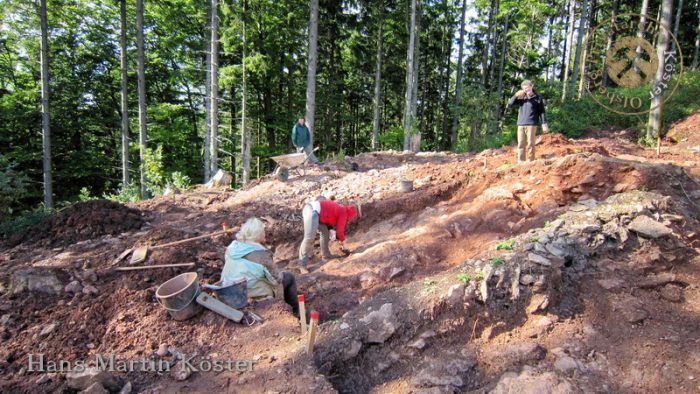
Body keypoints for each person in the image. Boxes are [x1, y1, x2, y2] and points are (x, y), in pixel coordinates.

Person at [222, 218, 299, 315]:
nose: (265, 233)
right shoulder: (261, 254)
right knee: (289, 278)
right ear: (257, 234)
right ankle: (296, 312)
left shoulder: (233, 246)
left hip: (228, 290)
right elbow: (277, 279)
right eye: (263, 231)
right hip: (250, 292)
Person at [299, 199, 361, 266]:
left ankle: (326, 256)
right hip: (312, 210)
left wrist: (338, 240)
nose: (352, 219)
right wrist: (344, 244)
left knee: (325, 232)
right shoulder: (344, 213)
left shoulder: (341, 209)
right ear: (351, 215)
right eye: (354, 217)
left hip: (318, 214)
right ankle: (302, 264)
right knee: (309, 238)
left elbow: (331, 227)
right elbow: (340, 232)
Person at [507, 80, 549, 162]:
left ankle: (531, 161)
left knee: (530, 144)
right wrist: (515, 95)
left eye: (527, 88)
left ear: (531, 86)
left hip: (532, 124)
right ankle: (521, 161)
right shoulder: (521, 97)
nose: (526, 90)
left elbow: (542, 112)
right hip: (521, 123)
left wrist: (544, 123)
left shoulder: (538, 98)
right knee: (521, 144)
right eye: (524, 89)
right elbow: (510, 103)